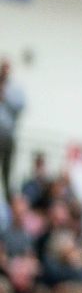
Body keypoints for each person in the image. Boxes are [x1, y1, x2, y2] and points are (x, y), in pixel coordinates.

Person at [0, 58, 26, 200]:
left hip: (6, 134)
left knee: (6, 170)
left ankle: (6, 196)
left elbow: (21, 106)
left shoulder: (15, 89)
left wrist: (5, 96)